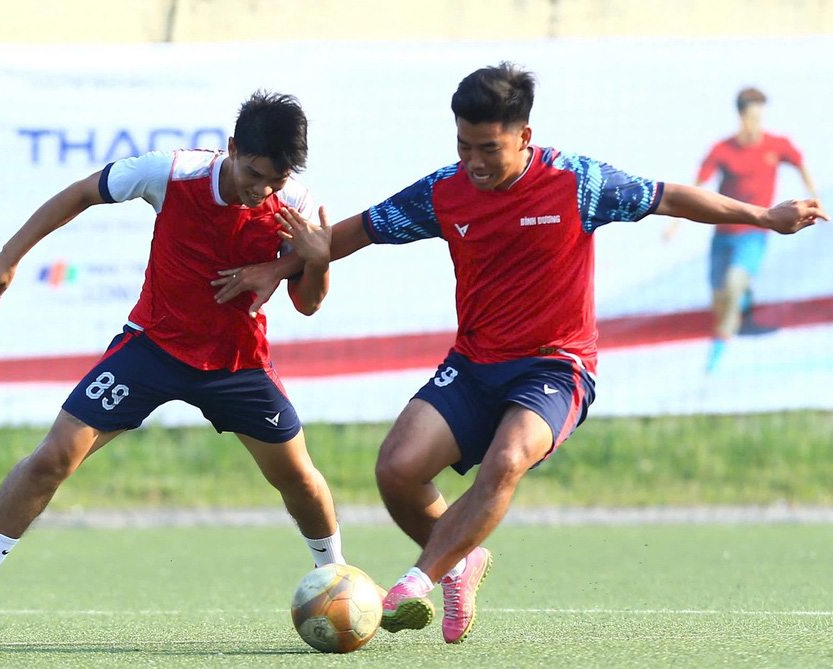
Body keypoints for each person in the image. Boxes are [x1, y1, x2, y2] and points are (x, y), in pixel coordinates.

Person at [212, 63, 826, 645]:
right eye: (463, 146)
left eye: (488, 148)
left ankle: (415, 583)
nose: (473, 162)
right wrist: (280, 266)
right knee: (396, 470)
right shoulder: (445, 192)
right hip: (475, 364)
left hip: (556, 366)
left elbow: (670, 197)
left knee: (506, 459)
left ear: (523, 136)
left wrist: (763, 216)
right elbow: (360, 230)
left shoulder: (576, 182)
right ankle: (463, 562)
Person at [0, 91, 345, 626]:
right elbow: (81, 193)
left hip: (236, 363)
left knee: (299, 478)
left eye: (275, 180)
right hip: (152, 346)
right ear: (233, 148)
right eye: (254, 174)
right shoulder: (169, 172)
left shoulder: (297, 208)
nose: (261, 190)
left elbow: (308, 305)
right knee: (55, 455)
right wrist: (8, 257)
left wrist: (314, 261)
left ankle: (336, 578)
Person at [668, 87, 819, 371]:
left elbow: (800, 164)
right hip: (723, 234)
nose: (756, 124)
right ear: (740, 116)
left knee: (735, 281)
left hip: (754, 232)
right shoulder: (722, 149)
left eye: (760, 117)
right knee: (720, 297)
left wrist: (815, 197)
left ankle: (716, 356)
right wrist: (674, 225)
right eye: (751, 117)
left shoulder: (777, 144)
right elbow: (694, 188)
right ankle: (744, 308)